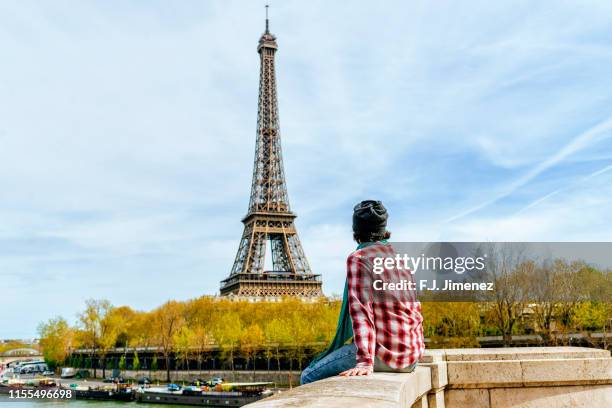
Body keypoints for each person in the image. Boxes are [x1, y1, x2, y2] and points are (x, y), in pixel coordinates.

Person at [301, 200, 424, 384]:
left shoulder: (359, 259)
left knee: (308, 376)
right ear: (383, 229)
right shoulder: (400, 260)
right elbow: (415, 309)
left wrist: (365, 362)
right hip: (411, 358)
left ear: (356, 230)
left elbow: (361, 314)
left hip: (384, 356)